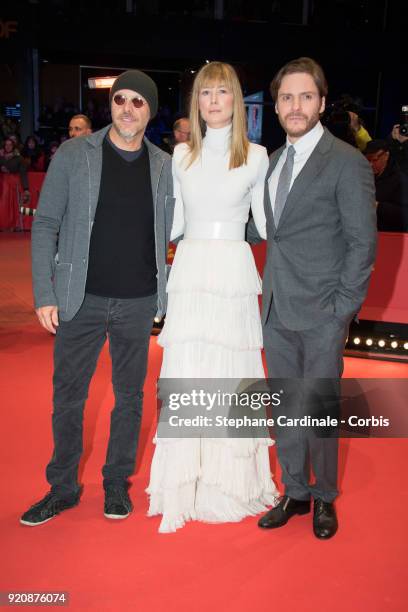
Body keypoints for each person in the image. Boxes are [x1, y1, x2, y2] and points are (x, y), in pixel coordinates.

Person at [20, 70, 174, 526]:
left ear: (150, 110)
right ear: (112, 105)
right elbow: (46, 223)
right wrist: (45, 292)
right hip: (79, 297)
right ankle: (62, 488)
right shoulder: (74, 153)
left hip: (139, 300)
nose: (127, 108)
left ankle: (115, 483)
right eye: (120, 99)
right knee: (68, 397)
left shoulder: (164, 164)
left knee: (130, 398)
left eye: (138, 102)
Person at [146, 61, 278, 534]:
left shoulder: (259, 156)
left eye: (223, 92)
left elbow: (266, 225)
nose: (214, 100)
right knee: (189, 369)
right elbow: (175, 221)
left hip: (233, 269)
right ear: (196, 102)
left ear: (237, 100)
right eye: (206, 93)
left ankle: (230, 484)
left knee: (231, 372)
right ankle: (187, 484)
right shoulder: (180, 156)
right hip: (191, 268)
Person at [254, 57, 377, 539]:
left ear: (322, 103)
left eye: (306, 96)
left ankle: (325, 496)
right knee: (285, 404)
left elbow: (362, 243)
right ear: (278, 105)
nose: (295, 106)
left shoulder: (346, 162)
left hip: (323, 311)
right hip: (277, 307)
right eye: (287, 97)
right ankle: (295, 491)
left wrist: (341, 308)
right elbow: (271, 232)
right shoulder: (272, 160)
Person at [364, 139, 408, 231]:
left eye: (374, 160)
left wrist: (378, 206)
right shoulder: (364, 174)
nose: (370, 164)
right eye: (368, 160)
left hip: (389, 234)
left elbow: (404, 214)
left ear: (386, 155)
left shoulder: (400, 180)